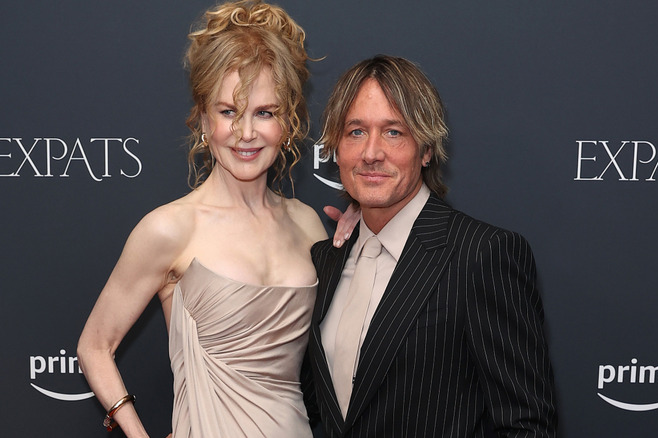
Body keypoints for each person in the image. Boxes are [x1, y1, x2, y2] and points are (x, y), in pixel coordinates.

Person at [77, 2, 356, 437]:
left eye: (265, 112)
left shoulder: (307, 224)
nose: (246, 133)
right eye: (229, 112)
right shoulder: (170, 228)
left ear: (288, 121)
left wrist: (358, 248)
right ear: (203, 119)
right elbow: (95, 345)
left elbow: (333, 358)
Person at [304, 55, 558, 437]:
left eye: (393, 132)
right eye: (356, 131)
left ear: (425, 149)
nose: (371, 153)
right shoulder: (326, 259)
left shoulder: (481, 255)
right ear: (336, 148)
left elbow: (528, 426)